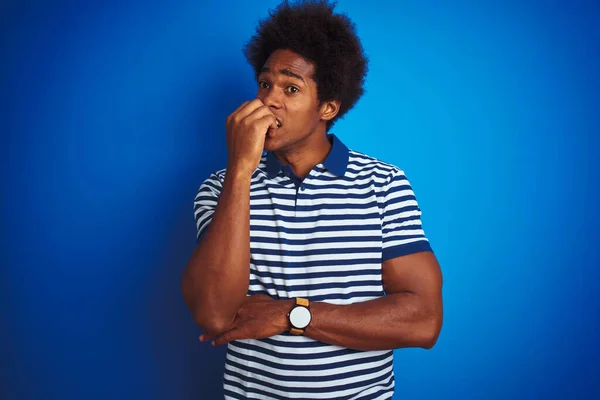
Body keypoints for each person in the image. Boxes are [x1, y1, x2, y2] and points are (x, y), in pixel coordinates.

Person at [181, 1, 443, 398]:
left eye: (291, 88)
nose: (269, 100)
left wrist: (290, 314)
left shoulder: (384, 184)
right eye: (265, 83)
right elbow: (214, 314)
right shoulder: (221, 188)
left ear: (328, 107)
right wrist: (239, 172)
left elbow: (422, 322)